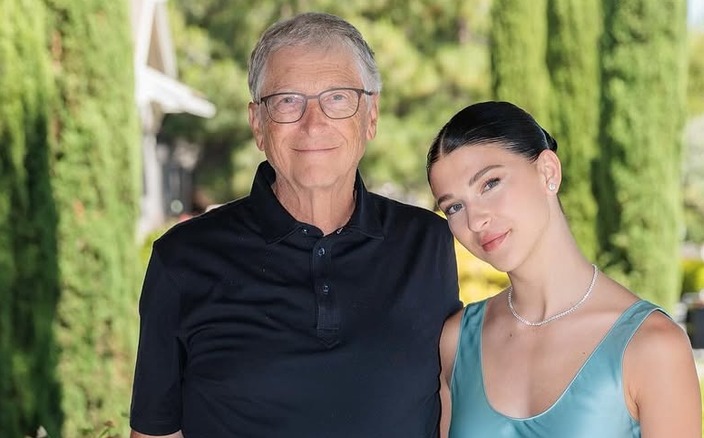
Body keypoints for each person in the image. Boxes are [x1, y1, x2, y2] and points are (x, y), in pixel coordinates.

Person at [129, 12, 461, 438]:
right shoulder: (183, 259)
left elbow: (449, 402)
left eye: (337, 98)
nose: (313, 123)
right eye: (288, 101)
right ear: (257, 124)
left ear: (371, 116)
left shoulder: (427, 242)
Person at [426, 101, 701, 437]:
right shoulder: (457, 341)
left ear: (548, 172)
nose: (475, 220)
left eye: (490, 184)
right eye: (454, 207)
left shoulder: (653, 346)